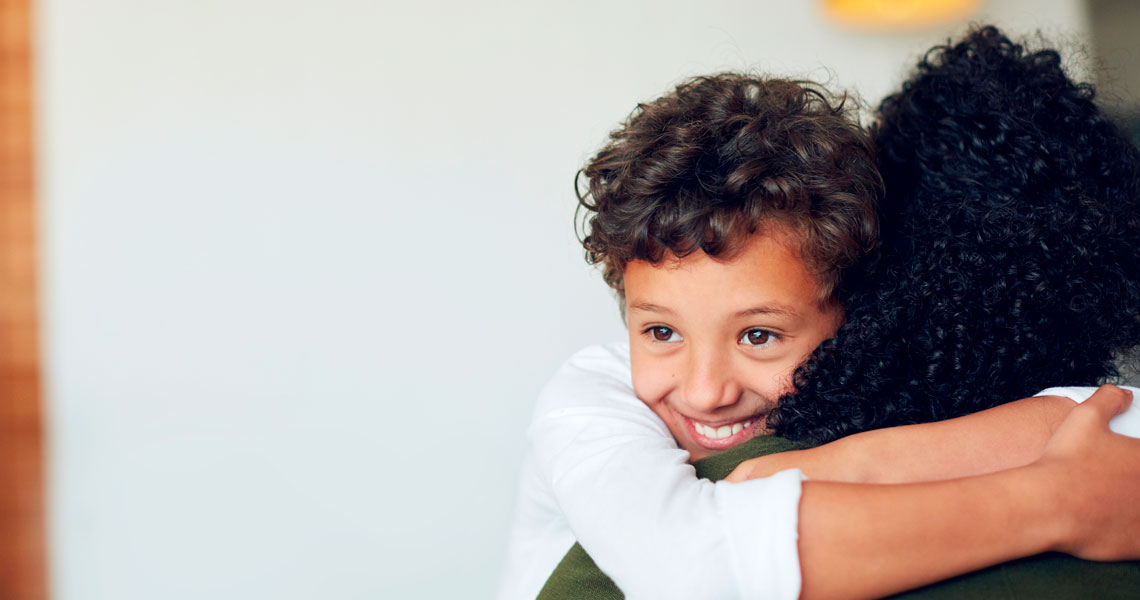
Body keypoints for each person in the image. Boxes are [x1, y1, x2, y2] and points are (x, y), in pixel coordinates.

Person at [500, 26, 1140, 600]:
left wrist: (850, 464)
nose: (705, 391)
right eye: (660, 331)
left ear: (856, 314)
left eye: (757, 335)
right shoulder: (589, 403)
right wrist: (1056, 503)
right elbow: (692, 571)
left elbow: (1118, 416)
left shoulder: (850, 401)